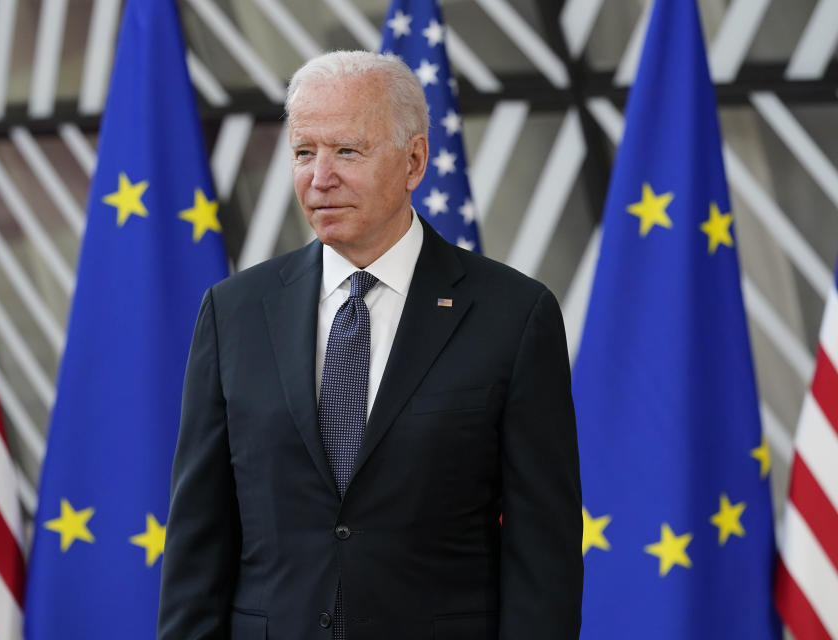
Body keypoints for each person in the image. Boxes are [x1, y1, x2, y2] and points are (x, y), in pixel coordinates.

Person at [158, 50, 582, 640]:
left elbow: (545, 556)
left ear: (414, 161)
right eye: (304, 152)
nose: (319, 177)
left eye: (347, 151)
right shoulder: (232, 314)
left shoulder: (513, 316)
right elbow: (196, 544)